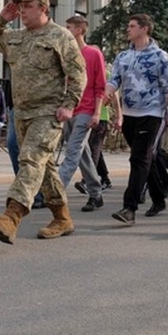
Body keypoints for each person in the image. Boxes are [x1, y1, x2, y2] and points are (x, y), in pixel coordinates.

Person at [0, 0, 86, 244]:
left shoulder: (60, 36)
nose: (21, 10)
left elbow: (78, 73)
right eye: (19, 6)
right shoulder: (16, 37)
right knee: (44, 167)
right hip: (22, 112)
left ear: (42, 8)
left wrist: (69, 105)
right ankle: (62, 218)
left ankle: (12, 217)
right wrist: (3, 18)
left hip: (48, 112)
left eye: (27, 6)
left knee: (30, 159)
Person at [106, 13, 168, 225]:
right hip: (129, 114)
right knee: (146, 159)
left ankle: (130, 207)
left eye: (132, 26)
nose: (128, 29)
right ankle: (160, 197)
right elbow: (114, 79)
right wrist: (107, 93)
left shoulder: (160, 56)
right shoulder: (123, 56)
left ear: (144, 29)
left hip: (152, 113)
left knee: (138, 159)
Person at [56, 15, 107, 213]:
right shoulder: (66, 54)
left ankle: (55, 192)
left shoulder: (93, 54)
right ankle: (96, 194)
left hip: (86, 112)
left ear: (78, 30)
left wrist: (96, 113)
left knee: (72, 152)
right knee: (82, 154)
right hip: (70, 111)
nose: (65, 29)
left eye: (68, 26)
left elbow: (100, 86)